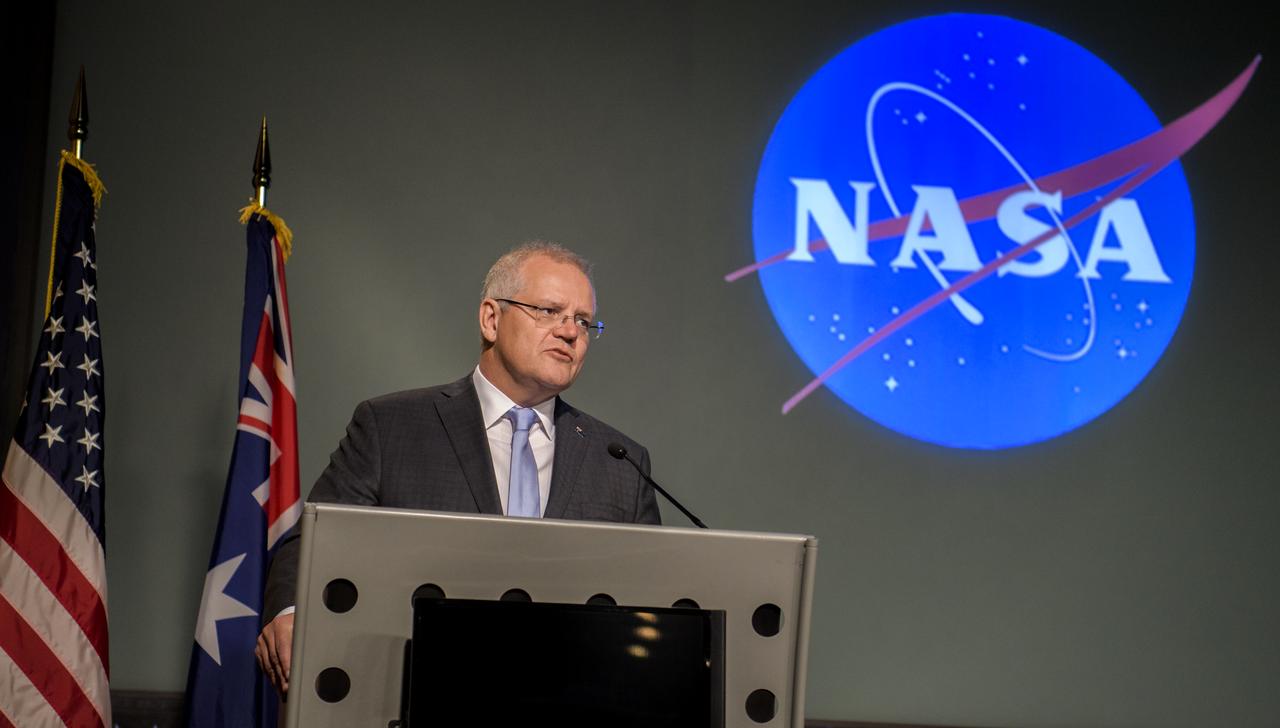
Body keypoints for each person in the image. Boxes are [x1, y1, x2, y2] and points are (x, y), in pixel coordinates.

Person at [254, 240, 660, 693]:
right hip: (413, 688)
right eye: (549, 311)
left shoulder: (621, 460)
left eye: (583, 322)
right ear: (491, 318)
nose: (570, 332)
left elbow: (654, 600)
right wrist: (291, 615)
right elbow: (313, 541)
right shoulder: (392, 427)